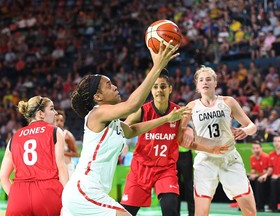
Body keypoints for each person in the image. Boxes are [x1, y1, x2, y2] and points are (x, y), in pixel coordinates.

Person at [61, 41, 188, 216]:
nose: (114, 87)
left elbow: (132, 130)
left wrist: (166, 118)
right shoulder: (97, 114)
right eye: (108, 85)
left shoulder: (112, 122)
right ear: (98, 97)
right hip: (84, 190)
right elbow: (132, 106)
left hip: (90, 192)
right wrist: (157, 67)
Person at [120, 69, 228, 216]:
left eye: (163, 86)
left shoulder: (178, 112)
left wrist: (210, 147)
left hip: (165, 169)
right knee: (126, 212)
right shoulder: (142, 111)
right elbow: (124, 130)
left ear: (170, 89)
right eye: (155, 86)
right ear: (151, 90)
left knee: (170, 207)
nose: (159, 90)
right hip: (141, 168)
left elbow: (185, 140)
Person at [182, 66, 257, 216]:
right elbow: (181, 136)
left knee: (250, 212)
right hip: (205, 160)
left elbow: (252, 126)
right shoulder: (191, 107)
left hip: (229, 157)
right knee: (201, 213)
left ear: (215, 83)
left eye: (209, 79)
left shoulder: (228, 102)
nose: (205, 82)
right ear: (197, 85)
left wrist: (245, 131)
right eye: (201, 80)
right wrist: (187, 130)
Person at [0, 96, 69, 215]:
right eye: (51, 109)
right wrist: (67, 200)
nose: (55, 112)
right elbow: (61, 167)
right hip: (47, 193)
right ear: (41, 114)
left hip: (19, 195)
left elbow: (2, 177)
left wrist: (17, 197)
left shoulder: (14, 137)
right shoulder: (55, 131)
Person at [258, 135, 280, 213]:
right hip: (273, 177)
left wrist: (278, 175)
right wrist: (265, 175)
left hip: (277, 177)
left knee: (275, 181)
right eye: (275, 141)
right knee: (261, 181)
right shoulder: (271, 154)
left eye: (278, 141)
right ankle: (266, 207)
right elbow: (270, 169)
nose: (277, 143)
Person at [55, 109, 79, 178]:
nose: (59, 123)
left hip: (67, 167)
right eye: (57, 120)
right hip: (56, 169)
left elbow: (76, 153)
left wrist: (63, 153)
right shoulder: (50, 135)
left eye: (61, 121)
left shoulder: (67, 135)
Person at [248, 139, 269, 212]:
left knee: (258, 182)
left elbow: (266, 171)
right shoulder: (252, 158)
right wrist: (251, 175)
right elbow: (253, 170)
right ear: (252, 149)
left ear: (261, 148)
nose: (255, 150)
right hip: (258, 176)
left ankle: (260, 206)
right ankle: (248, 205)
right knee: (247, 181)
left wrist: (256, 175)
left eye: (257, 148)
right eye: (254, 148)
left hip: (266, 177)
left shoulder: (266, 157)